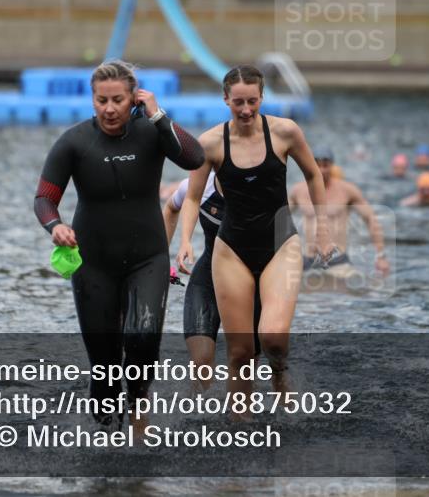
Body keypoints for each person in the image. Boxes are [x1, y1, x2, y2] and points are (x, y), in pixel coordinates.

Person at [34, 60, 205, 432]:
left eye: (118, 100)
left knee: (143, 338)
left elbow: (195, 158)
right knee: (104, 365)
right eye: (101, 100)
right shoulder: (74, 142)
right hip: (93, 264)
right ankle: (107, 432)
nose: (109, 109)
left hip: (147, 259)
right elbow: (44, 198)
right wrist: (55, 225)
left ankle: (139, 415)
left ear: (134, 99)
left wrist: (158, 115)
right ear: (92, 100)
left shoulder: (152, 131)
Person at [177, 65, 330, 411]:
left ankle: (279, 371)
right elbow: (192, 197)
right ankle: (241, 426)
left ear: (262, 97)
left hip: (280, 244)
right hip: (231, 249)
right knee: (240, 352)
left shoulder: (285, 132)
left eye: (252, 101)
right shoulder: (211, 143)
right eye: (238, 103)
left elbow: (313, 176)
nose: (246, 110)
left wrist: (322, 230)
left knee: (273, 338)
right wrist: (185, 240)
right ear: (225, 99)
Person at [165, 172, 263, 393]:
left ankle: (242, 406)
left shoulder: (260, 190)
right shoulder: (199, 186)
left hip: (250, 283)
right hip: (208, 277)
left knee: (245, 363)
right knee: (201, 361)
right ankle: (199, 406)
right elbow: (171, 208)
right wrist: (163, 256)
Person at [288, 146, 390, 275]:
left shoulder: (347, 191)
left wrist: (381, 256)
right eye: (317, 165)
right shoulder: (298, 191)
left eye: (325, 165)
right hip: (307, 260)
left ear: (332, 166)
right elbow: (278, 220)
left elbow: (371, 220)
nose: (321, 170)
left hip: (337, 261)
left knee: (352, 285)